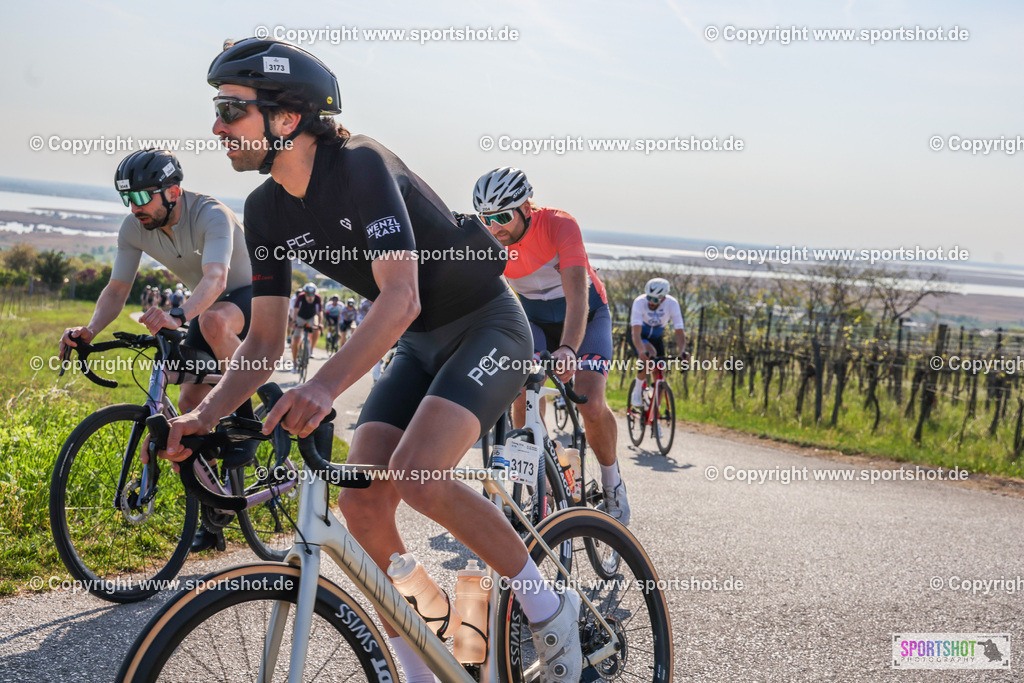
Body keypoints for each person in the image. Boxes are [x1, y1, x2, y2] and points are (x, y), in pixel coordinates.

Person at [147, 38, 583, 682]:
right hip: (418, 341)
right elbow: (264, 344)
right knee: (364, 506)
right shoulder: (264, 209)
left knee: (418, 475)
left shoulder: (361, 164)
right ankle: (425, 653)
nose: (217, 125)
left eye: (231, 110)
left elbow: (401, 295)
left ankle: (551, 608)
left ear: (286, 118)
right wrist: (203, 415)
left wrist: (323, 388)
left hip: (487, 325)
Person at [59, 148, 255, 552]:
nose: (133, 208)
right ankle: (213, 518)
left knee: (214, 320)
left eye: (141, 197)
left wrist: (179, 316)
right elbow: (117, 289)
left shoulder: (211, 214)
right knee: (189, 406)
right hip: (205, 306)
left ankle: (246, 415)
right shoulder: (135, 228)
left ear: (173, 191)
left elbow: (216, 278)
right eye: (125, 198)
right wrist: (91, 330)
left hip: (253, 297)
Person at [474, 166, 630, 527]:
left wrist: (570, 350)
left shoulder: (560, 225)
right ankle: (540, 489)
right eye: (486, 218)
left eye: (502, 216)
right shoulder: (486, 238)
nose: (494, 227)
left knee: (589, 398)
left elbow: (578, 298)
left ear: (526, 207)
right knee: (520, 393)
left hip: (585, 317)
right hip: (534, 322)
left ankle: (612, 484)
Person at [630, 278, 686, 411]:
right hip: (639, 336)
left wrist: (682, 351)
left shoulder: (672, 304)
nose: (651, 302)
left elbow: (679, 331)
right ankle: (637, 390)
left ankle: (655, 415)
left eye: (655, 299)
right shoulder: (639, 302)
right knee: (650, 355)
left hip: (656, 337)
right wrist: (641, 351)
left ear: (663, 298)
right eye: (649, 297)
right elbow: (636, 333)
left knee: (660, 372)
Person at [290, 282, 322, 369]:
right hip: (300, 317)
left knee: (316, 329)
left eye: (312, 294)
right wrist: (294, 322)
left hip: (311, 317)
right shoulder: (300, 296)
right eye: (308, 294)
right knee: (296, 339)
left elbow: (319, 312)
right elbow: (295, 310)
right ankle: (294, 362)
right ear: (305, 293)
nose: (310, 296)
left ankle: (311, 349)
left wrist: (320, 323)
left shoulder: (318, 298)